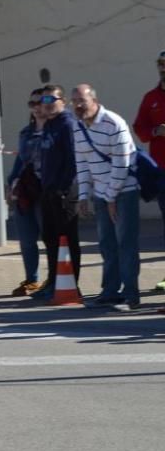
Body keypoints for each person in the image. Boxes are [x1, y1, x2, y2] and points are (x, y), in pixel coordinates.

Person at [73, 84, 140, 309]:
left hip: (124, 192)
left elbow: (122, 164)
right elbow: (81, 163)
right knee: (107, 244)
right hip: (102, 194)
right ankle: (110, 292)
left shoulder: (114, 123)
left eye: (82, 100)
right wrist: (84, 195)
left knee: (126, 244)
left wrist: (111, 197)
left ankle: (131, 295)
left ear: (94, 100)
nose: (78, 106)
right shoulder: (77, 127)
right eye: (75, 101)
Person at [34, 86, 81, 301]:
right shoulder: (49, 124)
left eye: (52, 99)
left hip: (64, 192)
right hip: (48, 190)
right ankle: (53, 281)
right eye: (44, 99)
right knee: (50, 238)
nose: (47, 103)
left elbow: (73, 160)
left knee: (67, 239)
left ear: (63, 101)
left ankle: (71, 284)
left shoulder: (68, 124)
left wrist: (63, 188)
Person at [7, 90, 47, 296]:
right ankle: (32, 279)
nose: (36, 107)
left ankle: (56, 279)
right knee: (26, 238)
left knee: (49, 237)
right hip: (26, 190)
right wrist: (11, 182)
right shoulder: (26, 133)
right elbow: (20, 161)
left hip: (46, 191)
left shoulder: (55, 130)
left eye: (40, 102)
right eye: (32, 103)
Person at [132, 49, 165, 290]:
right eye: (160, 64)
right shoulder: (150, 97)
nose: (163, 67)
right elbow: (140, 128)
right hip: (161, 171)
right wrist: (155, 132)